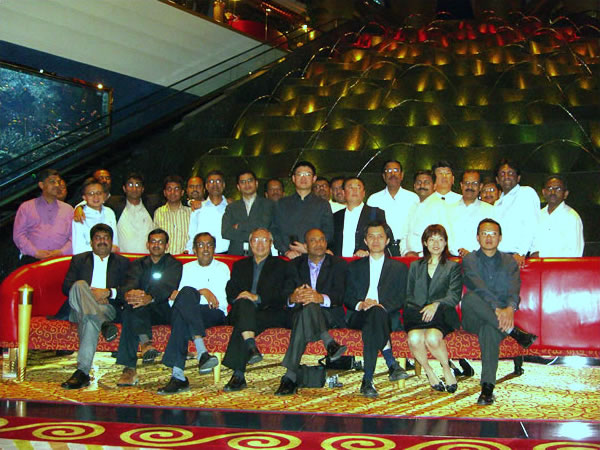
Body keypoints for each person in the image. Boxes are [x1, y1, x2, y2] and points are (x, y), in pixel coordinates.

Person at [462, 218, 538, 405]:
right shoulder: (470, 259)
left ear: (500, 237)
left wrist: (510, 309)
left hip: (499, 320)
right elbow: (478, 287)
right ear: (477, 237)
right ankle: (514, 332)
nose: (488, 238)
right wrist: (499, 309)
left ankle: (487, 389)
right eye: (484, 234)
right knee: (470, 297)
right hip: (474, 317)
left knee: (489, 330)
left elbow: (514, 290)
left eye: (493, 234)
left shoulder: (509, 262)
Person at [275, 228, 347, 395]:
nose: (318, 244)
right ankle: (328, 342)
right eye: (313, 240)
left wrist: (320, 298)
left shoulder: (338, 264)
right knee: (307, 307)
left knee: (309, 306)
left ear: (326, 243)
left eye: (321, 240)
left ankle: (290, 376)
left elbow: (341, 295)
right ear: (306, 246)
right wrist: (293, 297)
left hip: (328, 314)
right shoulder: (294, 265)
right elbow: (283, 294)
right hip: (297, 313)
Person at [157, 232, 229, 394]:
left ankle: (178, 376)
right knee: (185, 302)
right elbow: (175, 298)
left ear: (214, 249)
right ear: (194, 249)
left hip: (212, 313)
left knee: (184, 306)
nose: (205, 249)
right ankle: (201, 352)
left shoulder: (222, 268)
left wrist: (191, 295)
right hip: (187, 311)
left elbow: (217, 302)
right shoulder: (185, 268)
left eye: (209, 245)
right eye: (201, 245)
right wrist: (203, 292)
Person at [60, 224, 130, 390]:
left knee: (91, 321)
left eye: (106, 238)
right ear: (91, 242)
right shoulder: (79, 260)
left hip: (107, 308)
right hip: (77, 307)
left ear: (111, 242)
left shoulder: (122, 262)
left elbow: (128, 290)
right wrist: (91, 295)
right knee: (79, 284)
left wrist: (108, 293)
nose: (102, 241)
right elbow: (66, 287)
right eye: (98, 238)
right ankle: (103, 324)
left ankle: (82, 373)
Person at [344, 221, 410, 397]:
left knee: (375, 316)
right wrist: (361, 304)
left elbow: (402, 297)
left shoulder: (399, 268)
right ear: (365, 241)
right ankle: (391, 363)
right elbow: (347, 296)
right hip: (360, 315)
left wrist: (382, 306)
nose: (375, 240)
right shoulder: (354, 267)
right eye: (371, 236)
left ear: (387, 240)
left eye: (380, 236)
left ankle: (368, 380)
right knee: (373, 316)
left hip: (386, 315)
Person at [222, 228, 290, 392]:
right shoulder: (240, 265)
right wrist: (242, 297)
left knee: (243, 322)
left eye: (264, 240)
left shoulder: (282, 265)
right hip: (242, 309)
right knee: (244, 306)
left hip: (269, 312)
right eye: (256, 240)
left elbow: (283, 294)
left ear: (271, 244)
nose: (260, 244)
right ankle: (250, 346)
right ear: (250, 243)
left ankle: (239, 374)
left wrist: (257, 297)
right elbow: (230, 290)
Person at [115, 229, 183, 387]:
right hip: (140, 309)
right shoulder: (138, 263)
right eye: (153, 241)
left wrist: (149, 297)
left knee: (133, 309)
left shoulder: (174, 264)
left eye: (160, 242)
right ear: (147, 244)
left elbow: (167, 286)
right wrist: (132, 293)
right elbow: (130, 282)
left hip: (163, 310)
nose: (156, 245)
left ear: (167, 245)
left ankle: (131, 365)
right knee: (132, 307)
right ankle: (142, 350)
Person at [404, 224, 462, 394]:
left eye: (440, 239)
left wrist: (435, 305)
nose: (436, 244)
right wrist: (421, 309)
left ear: (445, 243)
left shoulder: (452, 267)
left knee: (432, 337)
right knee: (414, 338)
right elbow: (408, 294)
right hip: (418, 314)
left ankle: (446, 369)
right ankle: (429, 372)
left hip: (442, 314)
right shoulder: (415, 266)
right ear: (425, 242)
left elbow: (454, 296)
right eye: (431, 239)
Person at [271, 161, 333, 259]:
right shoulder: (281, 204)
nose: (303, 178)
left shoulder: (323, 205)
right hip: (288, 257)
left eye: (307, 174)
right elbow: (274, 231)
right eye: (300, 174)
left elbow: (328, 233)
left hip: (314, 257)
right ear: (293, 178)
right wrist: (286, 251)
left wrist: (309, 249)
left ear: (314, 179)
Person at [13, 168, 73, 265]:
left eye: (58, 182)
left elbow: (74, 237)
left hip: (61, 259)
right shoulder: (26, 207)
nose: (57, 185)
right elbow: (18, 235)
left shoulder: (68, 210)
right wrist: (36, 252)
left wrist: (61, 252)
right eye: (52, 182)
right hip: (32, 259)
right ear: (41, 185)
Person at [492, 159, 540, 266]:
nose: (506, 177)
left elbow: (531, 224)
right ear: (497, 180)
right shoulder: (497, 204)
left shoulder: (526, 193)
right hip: (499, 258)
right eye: (502, 174)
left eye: (510, 173)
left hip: (519, 258)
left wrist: (521, 252)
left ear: (518, 178)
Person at [366, 160, 419, 254]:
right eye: (389, 171)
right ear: (383, 176)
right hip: (382, 248)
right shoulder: (374, 199)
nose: (393, 174)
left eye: (396, 170)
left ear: (402, 175)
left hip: (408, 249)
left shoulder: (413, 198)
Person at [331, 177, 389, 257]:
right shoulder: (336, 216)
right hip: (340, 262)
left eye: (358, 187)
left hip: (365, 260)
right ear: (343, 193)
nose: (355, 190)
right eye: (351, 187)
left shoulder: (376, 213)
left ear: (364, 193)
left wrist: (367, 251)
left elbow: (385, 238)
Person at [222, 170, 275, 255]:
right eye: (243, 182)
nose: (247, 184)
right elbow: (226, 233)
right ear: (238, 187)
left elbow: (263, 225)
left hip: (261, 253)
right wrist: (255, 235)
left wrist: (239, 226)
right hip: (236, 253)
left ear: (256, 183)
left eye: (250, 181)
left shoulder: (268, 204)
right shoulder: (231, 207)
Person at [530, 176, 584, 257]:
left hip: (562, 265)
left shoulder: (572, 217)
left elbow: (575, 253)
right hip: (537, 264)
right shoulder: (538, 215)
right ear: (544, 192)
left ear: (565, 194)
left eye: (558, 189)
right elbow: (533, 246)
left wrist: (542, 255)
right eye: (549, 188)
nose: (553, 192)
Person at [448, 170, 493, 256]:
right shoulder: (448, 209)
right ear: (461, 185)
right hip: (452, 260)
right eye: (466, 183)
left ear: (480, 186)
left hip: (480, 260)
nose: (470, 187)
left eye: (474, 184)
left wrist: (472, 255)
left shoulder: (490, 210)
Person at [404, 170, 449, 256]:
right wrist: (405, 252)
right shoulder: (412, 206)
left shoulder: (439, 206)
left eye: (426, 182)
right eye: (419, 182)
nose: (422, 185)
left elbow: (443, 238)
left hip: (429, 258)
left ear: (434, 186)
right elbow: (405, 234)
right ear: (414, 186)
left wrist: (420, 255)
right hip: (409, 258)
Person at [72, 177, 119, 255]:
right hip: (88, 259)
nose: (96, 197)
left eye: (99, 193)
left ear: (104, 195)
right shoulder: (80, 215)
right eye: (91, 194)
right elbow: (78, 248)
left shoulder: (109, 212)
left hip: (110, 258)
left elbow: (114, 243)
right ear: (84, 197)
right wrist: (105, 249)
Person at [186, 170, 229, 254]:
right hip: (203, 255)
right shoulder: (198, 208)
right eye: (211, 181)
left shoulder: (231, 208)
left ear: (223, 185)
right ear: (206, 186)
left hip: (228, 255)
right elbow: (192, 236)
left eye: (218, 181)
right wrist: (188, 252)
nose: (215, 185)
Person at [116, 173, 157, 253]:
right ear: (124, 188)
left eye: (138, 185)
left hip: (147, 259)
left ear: (142, 189)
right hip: (123, 259)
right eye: (130, 185)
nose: (134, 189)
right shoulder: (116, 209)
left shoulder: (151, 208)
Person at [153, 175, 191, 255]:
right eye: (169, 189)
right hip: (165, 259)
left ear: (182, 192)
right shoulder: (158, 213)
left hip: (185, 258)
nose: (172, 192)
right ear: (164, 193)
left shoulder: (190, 213)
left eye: (176, 189)